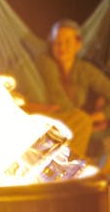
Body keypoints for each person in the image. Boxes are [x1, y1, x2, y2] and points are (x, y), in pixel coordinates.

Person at [36, 19, 110, 160]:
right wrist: (85, 122)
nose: (62, 46)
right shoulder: (45, 64)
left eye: (67, 41)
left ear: (78, 44)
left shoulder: (84, 69)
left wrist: (97, 117)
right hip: (50, 122)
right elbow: (61, 104)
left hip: (74, 125)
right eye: (57, 42)